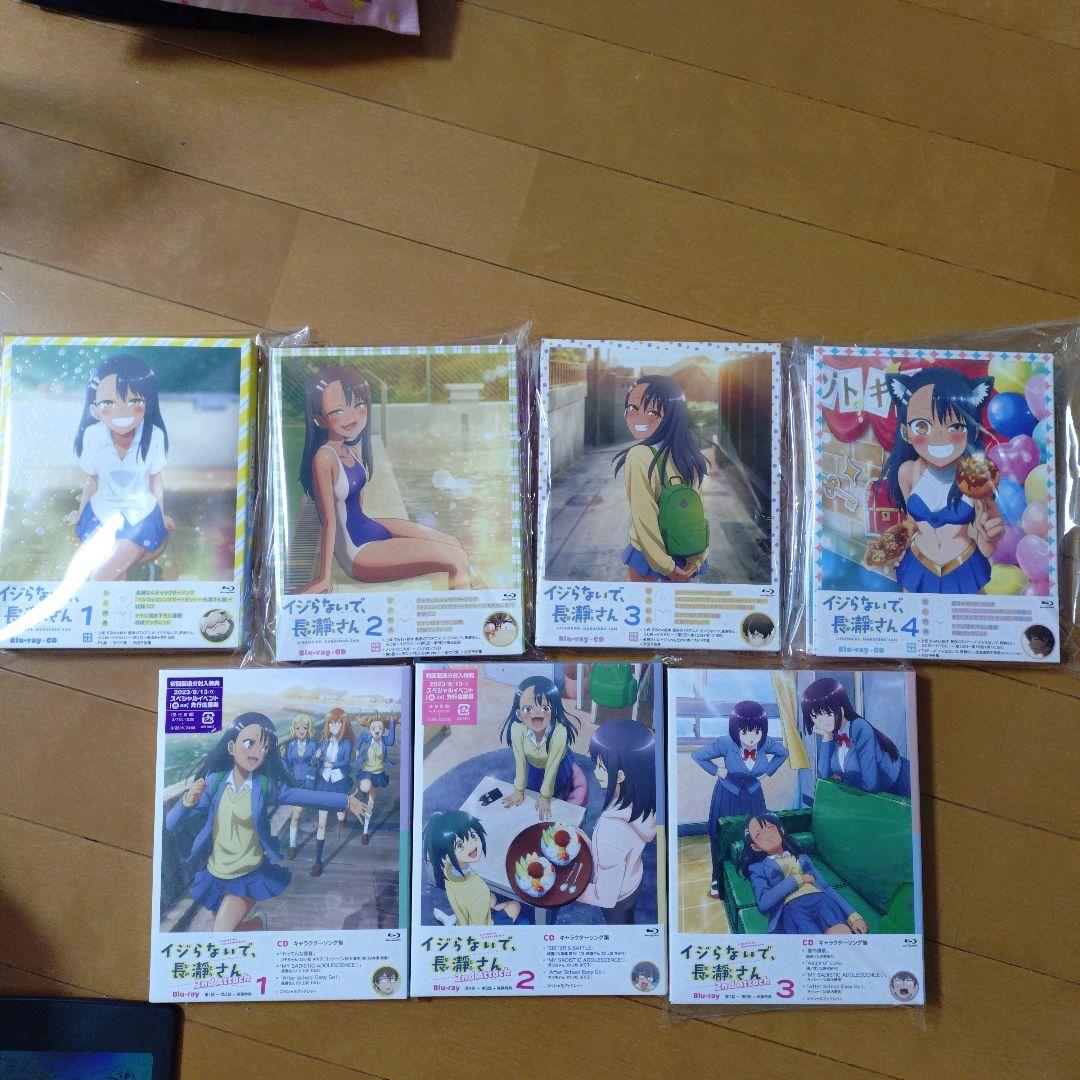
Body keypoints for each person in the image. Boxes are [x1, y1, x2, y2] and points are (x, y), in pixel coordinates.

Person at [165, 712, 365, 932]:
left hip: (248, 875)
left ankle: (256, 926)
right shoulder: (215, 783)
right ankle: (258, 924)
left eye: (264, 747)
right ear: (231, 747)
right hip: (216, 874)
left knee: (220, 932)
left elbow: (304, 796)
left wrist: (346, 801)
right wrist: (187, 800)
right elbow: (171, 824)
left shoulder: (265, 786)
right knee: (232, 932)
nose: (257, 752)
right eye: (249, 743)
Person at [297, 365, 475, 593]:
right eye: (337, 411)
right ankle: (465, 611)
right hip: (357, 551)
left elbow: (356, 503)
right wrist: (324, 577)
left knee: (455, 544)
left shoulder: (352, 449)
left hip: (368, 526)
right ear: (319, 419)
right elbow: (329, 520)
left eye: (358, 405)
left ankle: (475, 602)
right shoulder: (324, 457)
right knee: (456, 559)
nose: (351, 415)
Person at [877, 367, 1004, 592]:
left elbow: (986, 549)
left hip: (964, 565)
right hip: (917, 562)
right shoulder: (908, 472)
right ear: (906, 432)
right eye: (922, 426)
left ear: (973, 431)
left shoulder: (976, 477)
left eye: (955, 426)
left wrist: (989, 535)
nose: (939, 436)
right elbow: (912, 522)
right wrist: (896, 543)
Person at [68, 354, 173, 581]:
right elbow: (92, 479)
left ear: (147, 404)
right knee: (112, 570)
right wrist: (81, 511)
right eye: (109, 403)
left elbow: (155, 478)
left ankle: (120, 580)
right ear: (94, 409)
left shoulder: (154, 436)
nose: (122, 411)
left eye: (134, 401)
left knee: (102, 574)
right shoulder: (92, 435)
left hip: (141, 515)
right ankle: (131, 579)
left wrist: (162, 514)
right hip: (101, 512)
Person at [612, 375, 710, 583]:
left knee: (639, 603)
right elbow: (699, 512)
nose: (639, 418)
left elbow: (644, 517)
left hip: (649, 561)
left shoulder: (640, 455)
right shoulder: (689, 455)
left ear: (672, 416)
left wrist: (667, 567)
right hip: (688, 555)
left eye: (653, 413)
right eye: (633, 407)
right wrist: (698, 560)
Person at [692, 700, 788, 898]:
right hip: (727, 795)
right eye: (745, 732)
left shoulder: (766, 743)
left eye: (757, 732)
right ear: (735, 730)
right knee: (721, 836)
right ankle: (717, 878)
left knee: (756, 835)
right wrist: (717, 770)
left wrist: (767, 772)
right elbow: (698, 755)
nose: (752, 738)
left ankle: (755, 873)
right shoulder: (725, 742)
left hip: (754, 795)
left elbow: (783, 753)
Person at [577, 719, 657, 924]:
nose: (595, 772)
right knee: (629, 922)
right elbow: (620, 852)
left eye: (601, 766)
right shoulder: (643, 802)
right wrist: (587, 842)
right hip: (633, 880)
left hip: (616, 900)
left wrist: (570, 891)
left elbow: (604, 897)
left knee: (619, 930)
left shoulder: (611, 828)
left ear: (620, 775)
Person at [737, 814, 869, 935]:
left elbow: (826, 887)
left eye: (770, 828)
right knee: (813, 946)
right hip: (793, 908)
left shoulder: (802, 857)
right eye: (759, 834)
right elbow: (764, 903)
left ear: (781, 831)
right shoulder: (757, 868)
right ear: (755, 847)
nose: (767, 835)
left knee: (842, 938)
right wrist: (797, 879)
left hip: (822, 900)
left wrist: (853, 916)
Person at [801, 678, 910, 797]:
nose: (820, 722)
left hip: (899, 786)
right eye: (815, 716)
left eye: (826, 714)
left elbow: (871, 785)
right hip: (873, 795)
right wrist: (827, 737)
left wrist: (843, 780)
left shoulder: (860, 728)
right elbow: (825, 776)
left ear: (841, 708)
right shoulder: (833, 732)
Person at [499, 675, 580, 819]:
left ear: (554, 710)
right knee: (531, 793)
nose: (537, 712)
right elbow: (519, 761)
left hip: (559, 765)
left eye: (545, 707)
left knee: (560, 793)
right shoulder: (517, 729)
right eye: (528, 709)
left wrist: (545, 797)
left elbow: (553, 766)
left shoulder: (560, 732)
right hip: (533, 765)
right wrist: (519, 791)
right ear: (519, 714)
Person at [422, 811, 520, 926]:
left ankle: (455, 920)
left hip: (464, 914)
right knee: (515, 905)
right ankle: (456, 924)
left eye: (473, 836)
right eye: (459, 845)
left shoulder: (448, 869)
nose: (472, 846)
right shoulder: (478, 888)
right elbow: (478, 929)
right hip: (483, 926)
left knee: (492, 897)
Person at [309, 707, 356, 877]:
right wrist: (316, 756)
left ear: (344, 725)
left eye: (338, 723)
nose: (334, 726)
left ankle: (343, 816)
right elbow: (314, 761)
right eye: (331, 723)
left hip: (338, 782)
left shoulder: (346, 744)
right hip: (324, 782)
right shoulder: (324, 742)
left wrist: (331, 765)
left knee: (340, 815)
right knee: (321, 824)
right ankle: (318, 862)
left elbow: (346, 762)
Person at [280, 713, 319, 859]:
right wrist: (283, 756)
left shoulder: (313, 745)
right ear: (294, 730)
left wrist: (316, 758)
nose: (301, 731)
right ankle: (292, 846)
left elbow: (315, 765)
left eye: (304, 727)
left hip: (308, 782)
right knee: (296, 813)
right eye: (298, 728)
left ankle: (292, 845)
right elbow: (288, 766)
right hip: (295, 783)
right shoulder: (290, 745)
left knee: (298, 812)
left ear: (308, 729)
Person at [354, 713, 396, 846]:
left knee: (370, 804)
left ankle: (365, 833)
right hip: (367, 772)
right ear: (370, 729)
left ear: (383, 730)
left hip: (378, 775)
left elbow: (391, 740)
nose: (377, 731)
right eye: (374, 728)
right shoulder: (367, 737)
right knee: (366, 786)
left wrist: (392, 723)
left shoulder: (384, 741)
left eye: (380, 728)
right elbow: (360, 738)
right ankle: (364, 789)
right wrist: (357, 750)